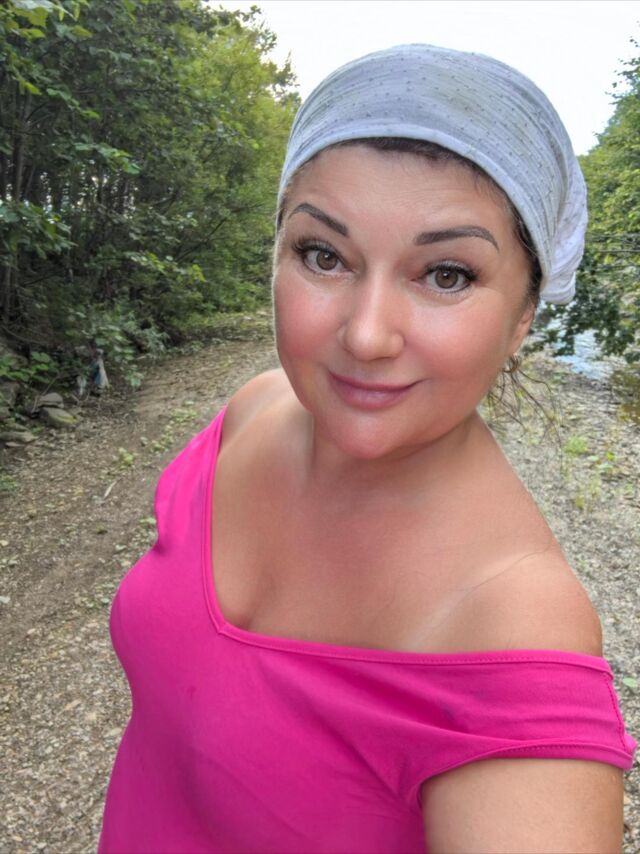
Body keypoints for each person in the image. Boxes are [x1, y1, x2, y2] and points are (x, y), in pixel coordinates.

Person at [99, 44, 636, 853]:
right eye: (324, 256)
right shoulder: (253, 411)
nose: (366, 335)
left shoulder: (515, 627)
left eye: (446, 274)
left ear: (525, 314)